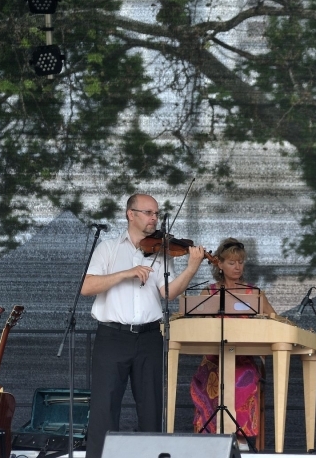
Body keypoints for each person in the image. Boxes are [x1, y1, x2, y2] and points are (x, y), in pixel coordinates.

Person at [81, 193, 205, 458]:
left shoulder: (161, 251)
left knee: (151, 410)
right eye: (148, 213)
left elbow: (168, 293)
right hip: (112, 337)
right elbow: (87, 286)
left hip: (149, 337)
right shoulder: (108, 248)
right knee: (104, 410)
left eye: (156, 214)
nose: (154, 219)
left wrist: (192, 268)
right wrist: (127, 273)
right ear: (131, 214)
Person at [189, 238, 276, 446]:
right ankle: (210, 445)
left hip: (243, 359)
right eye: (231, 262)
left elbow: (275, 321)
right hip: (213, 360)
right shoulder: (208, 292)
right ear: (219, 264)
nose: (238, 267)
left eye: (241, 262)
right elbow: (195, 326)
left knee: (241, 380)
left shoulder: (253, 293)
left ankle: (241, 444)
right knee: (206, 381)